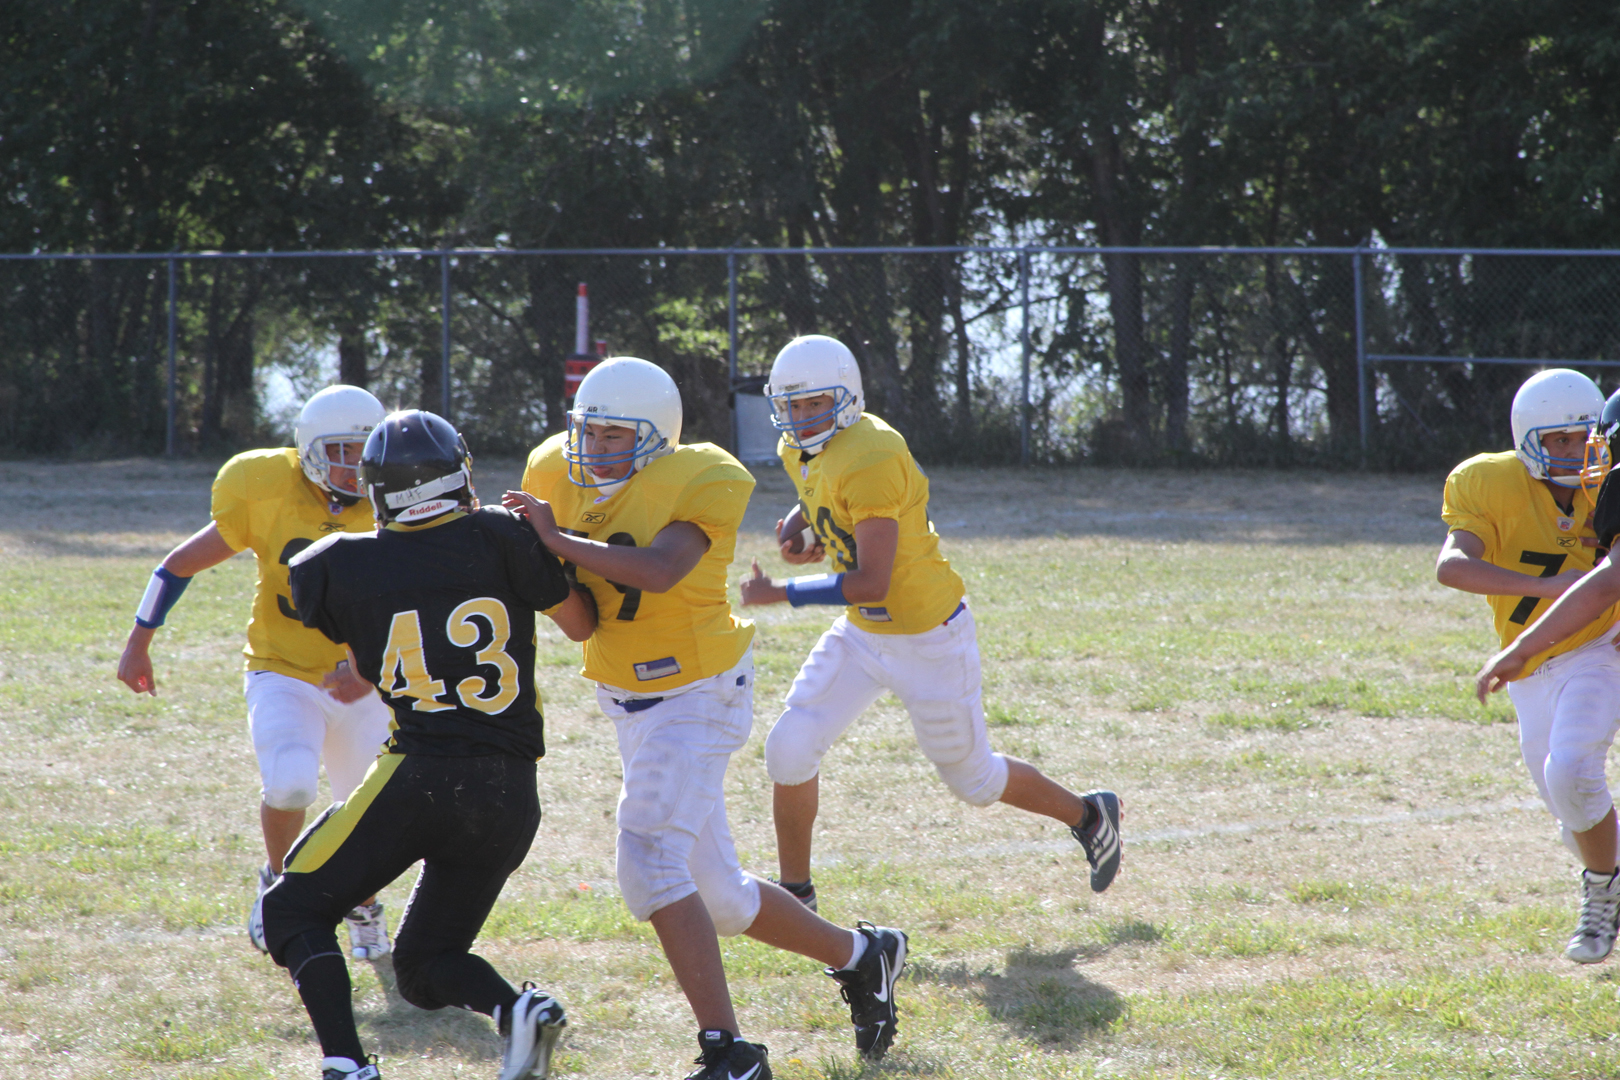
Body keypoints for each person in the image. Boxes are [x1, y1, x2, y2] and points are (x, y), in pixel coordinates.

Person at [509, 356, 908, 1080]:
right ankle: (863, 956)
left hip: (699, 692)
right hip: (628, 699)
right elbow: (579, 621)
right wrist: (532, 567)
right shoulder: (550, 473)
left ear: (656, 439)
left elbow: (661, 568)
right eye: (586, 433)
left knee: (648, 857)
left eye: (612, 436)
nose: (593, 450)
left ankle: (729, 1052)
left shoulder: (703, 476)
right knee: (720, 900)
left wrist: (555, 541)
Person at [738, 335, 1123, 909]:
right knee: (789, 749)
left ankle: (1091, 815)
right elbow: (824, 487)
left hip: (927, 636)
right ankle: (798, 897)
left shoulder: (872, 453)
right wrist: (807, 526)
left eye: (813, 404)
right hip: (865, 633)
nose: (799, 418)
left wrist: (782, 591)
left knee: (975, 781)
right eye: (790, 406)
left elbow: (874, 579)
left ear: (845, 399)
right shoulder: (803, 446)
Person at [268, 409, 585, 1080]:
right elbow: (577, 619)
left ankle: (347, 1066)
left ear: (377, 490)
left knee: (288, 908)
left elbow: (365, 633)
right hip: (510, 791)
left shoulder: (334, 563)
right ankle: (514, 1013)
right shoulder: (504, 535)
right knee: (422, 966)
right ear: (459, 475)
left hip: (425, 775)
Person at [116, 384, 396, 959]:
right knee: (292, 781)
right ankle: (278, 884)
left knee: (363, 811)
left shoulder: (395, 503)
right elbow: (178, 565)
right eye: (340, 450)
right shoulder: (265, 488)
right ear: (311, 450)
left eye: (363, 452)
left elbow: (417, 603)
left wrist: (368, 670)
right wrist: (138, 642)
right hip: (283, 671)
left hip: (363, 680)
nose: (354, 467)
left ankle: (363, 904)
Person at [1448, 369, 1620, 965]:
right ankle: (1609, 873)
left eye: (1585, 439)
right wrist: (1546, 587)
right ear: (1528, 440)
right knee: (1571, 812)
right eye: (1560, 442)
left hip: (1600, 649)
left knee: (1573, 769)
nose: (1577, 453)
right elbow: (1452, 567)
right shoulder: (1486, 482)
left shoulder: (1612, 482)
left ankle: (1600, 896)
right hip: (1531, 668)